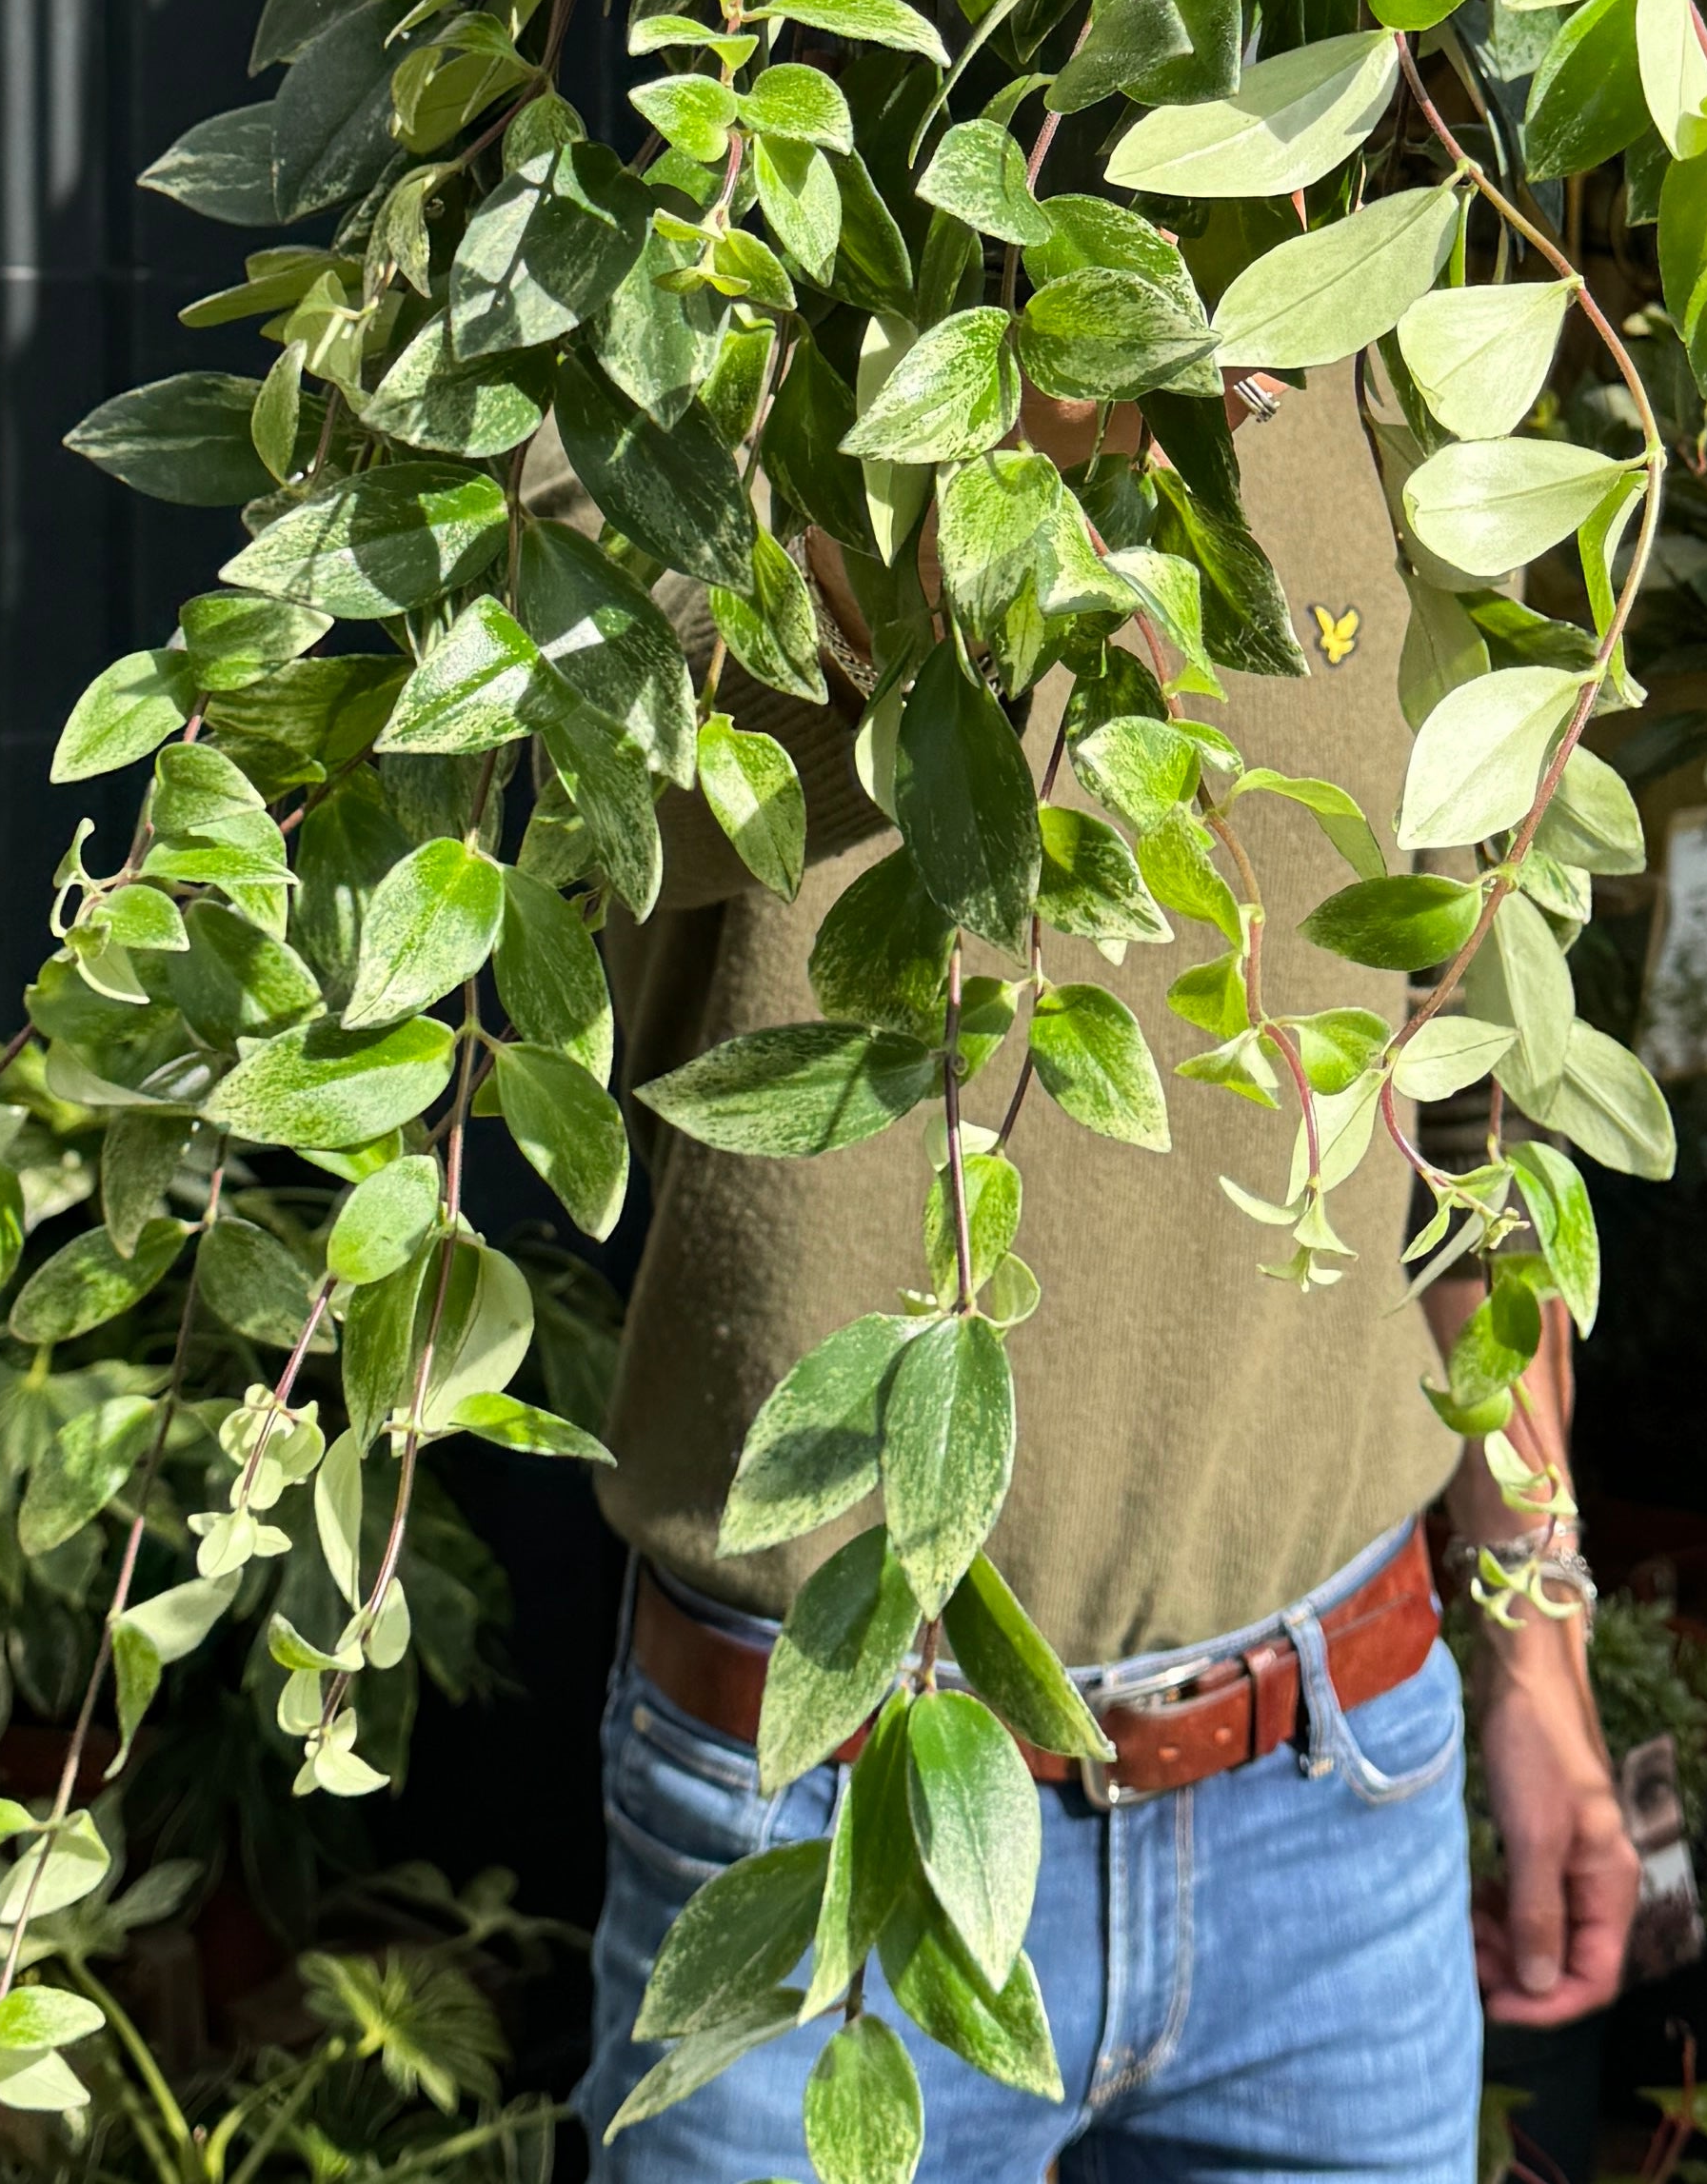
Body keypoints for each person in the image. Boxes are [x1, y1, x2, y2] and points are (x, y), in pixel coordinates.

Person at [541, 359, 1636, 2179]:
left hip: (1333, 1801)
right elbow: (612, 811)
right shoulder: (677, 308)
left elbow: (1469, 1112)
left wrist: (1536, 1639)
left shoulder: (1369, 329)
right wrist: (993, 440)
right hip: (822, 1815)